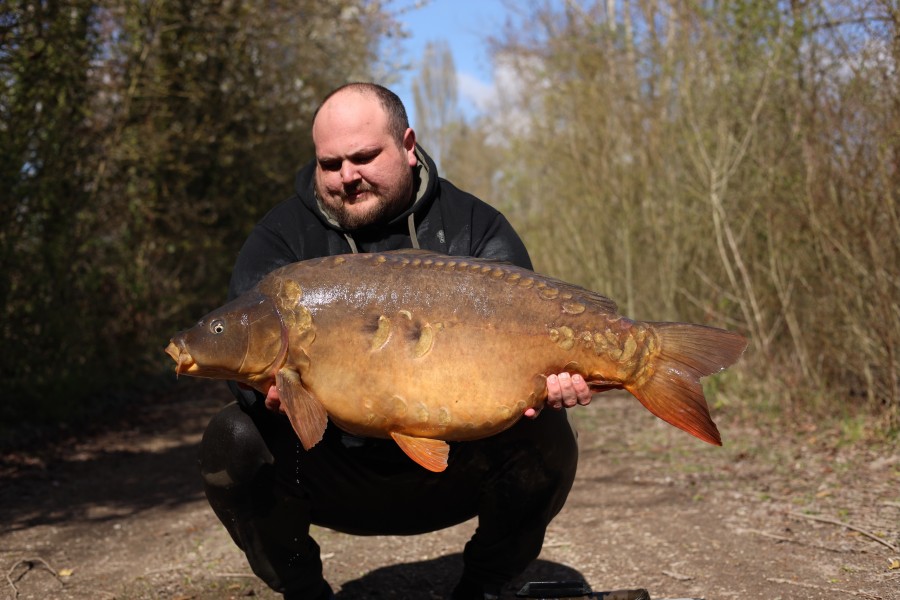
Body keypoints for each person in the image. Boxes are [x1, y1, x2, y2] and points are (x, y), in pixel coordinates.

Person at [198, 83, 593, 600]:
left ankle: (482, 589)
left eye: (364, 156)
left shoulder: (475, 227)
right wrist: (268, 398)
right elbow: (245, 355)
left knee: (550, 438)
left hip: (458, 467)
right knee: (234, 437)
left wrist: (553, 383)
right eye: (330, 163)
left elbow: (530, 339)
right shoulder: (281, 238)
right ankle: (306, 592)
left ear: (408, 145)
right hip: (335, 471)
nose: (347, 176)